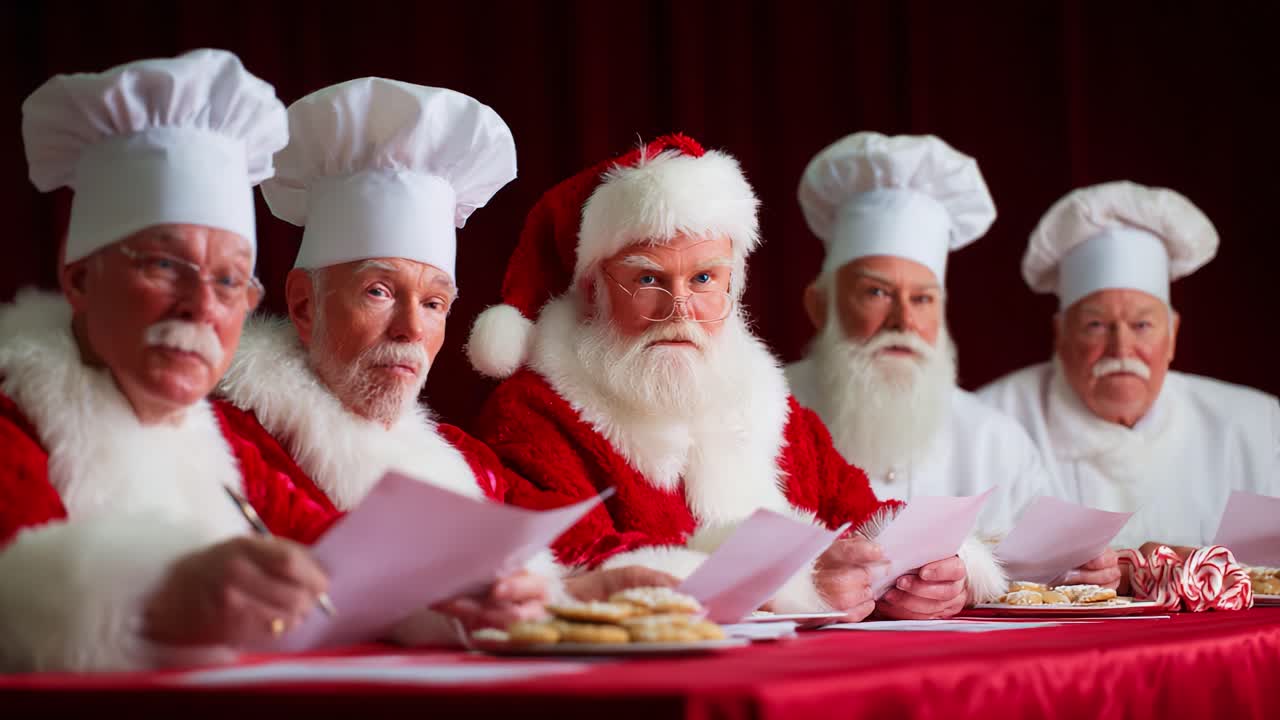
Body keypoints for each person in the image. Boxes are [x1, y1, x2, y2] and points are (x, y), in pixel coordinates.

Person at [465, 134, 1007, 621]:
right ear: (592, 292)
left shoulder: (772, 406)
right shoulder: (533, 412)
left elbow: (861, 514)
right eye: (648, 278)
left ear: (732, 288)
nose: (680, 307)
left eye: (704, 277)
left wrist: (925, 571)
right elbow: (581, 565)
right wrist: (789, 582)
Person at [216, 78, 675, 619]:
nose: (411, 328)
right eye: (379, 292)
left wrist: (663, 578)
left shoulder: (463, 459)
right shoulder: (237, 439)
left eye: (434, 303)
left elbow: (586, 545)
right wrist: (544, 596)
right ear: (304, 306)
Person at [978, 181, 1280, 550]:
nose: (1121, 348)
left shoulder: (1257, 426)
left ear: (1172, 335)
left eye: (1142, 326)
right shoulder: (991, 423)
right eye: (1096, 326)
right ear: (1061, 335)